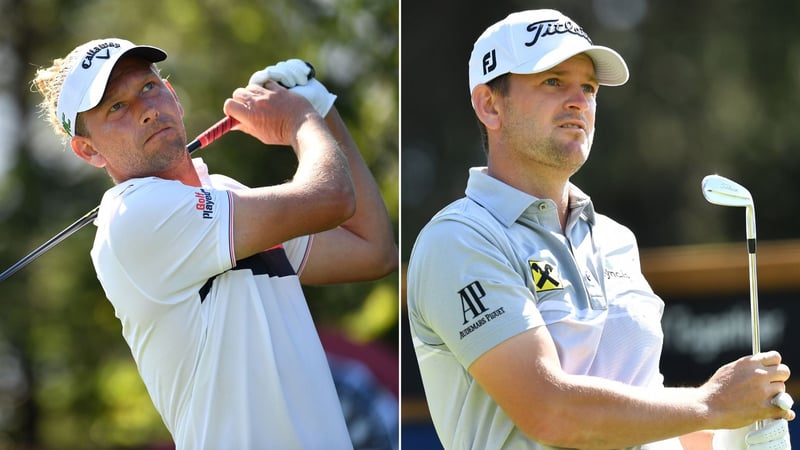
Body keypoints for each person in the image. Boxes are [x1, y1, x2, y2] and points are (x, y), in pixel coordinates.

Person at [406, 9, 793, 450]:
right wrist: (712, 403)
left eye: (588, 87)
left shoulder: (615, 240)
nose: (579, 101)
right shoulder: (459, 239)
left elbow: (645, 420)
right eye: (553, 81)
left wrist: (734, 431)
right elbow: (550, 412)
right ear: (489, 105)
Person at [32, 38, 397, 449]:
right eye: (116, 107)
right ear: (88, 150)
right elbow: (331, 198)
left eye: (148, 88)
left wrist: (322, 112)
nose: (146, 110)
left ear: (173, 96)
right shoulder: (132, 217)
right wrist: (301, 121)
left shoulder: (223, 195)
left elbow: (372, 249)